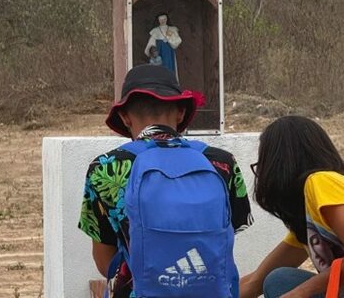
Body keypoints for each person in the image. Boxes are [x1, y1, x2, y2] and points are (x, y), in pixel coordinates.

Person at [78, 65, 252, 298]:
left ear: (125, 116)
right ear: (180, 113)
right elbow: (226, 235)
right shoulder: (222, 163)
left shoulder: (105, 168)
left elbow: (104, 262)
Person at [240, 116, 344, 298]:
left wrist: (301, 292)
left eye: (263, 164)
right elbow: (253, 284)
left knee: (281, 281)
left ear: (280, 163)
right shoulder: (307, 227)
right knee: (280, 279)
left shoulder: (321, 182)